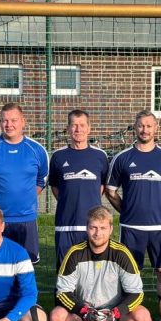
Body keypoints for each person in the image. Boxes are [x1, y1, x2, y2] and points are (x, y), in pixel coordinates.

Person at [51, 206, 152, 321]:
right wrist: (84, 311)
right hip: (83, 315)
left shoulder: (122, 253)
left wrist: (115, 313)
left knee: (143, 318)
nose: (98, 233)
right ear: (87, 228)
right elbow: (62, 292)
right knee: (56, 317)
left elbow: (137, 293)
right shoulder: (74, 253)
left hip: (115, 315)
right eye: (93, 227)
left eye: (103, 228)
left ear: (111, 229)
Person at [105, 110, 161, 295]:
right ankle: (129, 308)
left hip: (160, 226)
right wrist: (126, 210)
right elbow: (110, 191)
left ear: (156, 128)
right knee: (130, 272)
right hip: (131, 227)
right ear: (135, 128)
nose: (144, 130)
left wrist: (160, 208)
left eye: (148, 126)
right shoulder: (122, 158)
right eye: (140, 126)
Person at [0, 102, 49, 263]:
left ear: (23, 121)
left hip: (26, 219)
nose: (9, 125)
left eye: (13, 120)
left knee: (26, 266)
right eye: (4, 120)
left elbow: (41, 179)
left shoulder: (37, 150)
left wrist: (26, 196)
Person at [49, 109, 109, 265]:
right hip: (66, 224)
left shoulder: (100, 156)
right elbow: (54, 186)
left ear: (89, 128)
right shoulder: (58, 156)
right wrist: (68, 200)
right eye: (74, 125)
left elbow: (102, 186)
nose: (78, 129)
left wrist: (89, 199)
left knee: (92, 269)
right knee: (65, 269)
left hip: (93, 226)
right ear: (68, 128)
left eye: (82, 125)